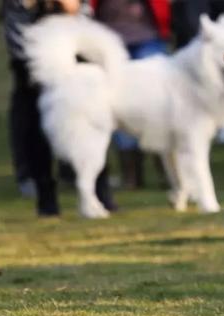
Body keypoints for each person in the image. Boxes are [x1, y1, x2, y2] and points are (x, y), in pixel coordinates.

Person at [0, 0, 117, 216]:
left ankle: (101, 195)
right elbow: (19, 19)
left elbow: (79, 13)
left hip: (75, 66)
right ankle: (46, 201)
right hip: (31, 70)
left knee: (92, 127)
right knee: (35, 135)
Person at [91, 0, 171, 189]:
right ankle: (131, 174)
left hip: (149, 38)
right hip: (109, 43)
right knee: (119, 105)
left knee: (158, 106)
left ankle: (166, 171)